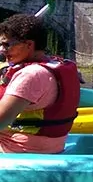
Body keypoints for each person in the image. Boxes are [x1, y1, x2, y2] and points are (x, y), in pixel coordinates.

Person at [0, 14, 81, 154]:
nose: (2, 50)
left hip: (15, 152)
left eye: (7, 45)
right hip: (50, 149)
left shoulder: (30, 75)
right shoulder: (51, 66)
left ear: (29, 45)